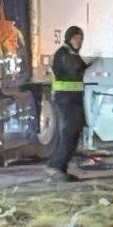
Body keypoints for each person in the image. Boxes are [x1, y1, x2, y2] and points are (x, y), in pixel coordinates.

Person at [47, 24, 93, 176]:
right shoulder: (65, 53)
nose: (79, 41)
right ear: (69, 39)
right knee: (69, 133)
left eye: (81, 38)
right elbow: (74, 69)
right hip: (66, 100)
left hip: (72, 99)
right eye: (76, 38)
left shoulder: (71, 53)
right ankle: (56, 166)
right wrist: (90, 63)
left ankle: (59, 167)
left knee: (73, 134)